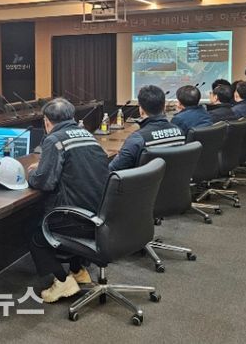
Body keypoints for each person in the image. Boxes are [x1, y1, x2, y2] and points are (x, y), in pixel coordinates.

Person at [27, 98, 110, 303]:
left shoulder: (54, 140)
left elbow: (44, 182)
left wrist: (33, 173)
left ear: (46, 121)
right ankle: (78, 270)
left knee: (34, 233)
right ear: (72, 117)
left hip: (75, 218)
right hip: (99, 213)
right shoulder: (88, 135)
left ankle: (63, 281)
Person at [109, 85, 185, 171]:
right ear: (164, 107)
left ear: (141, 110)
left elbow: (112, 169)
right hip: (174, 179)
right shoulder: (180, 132)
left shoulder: (137, 139)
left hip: (145, 180)